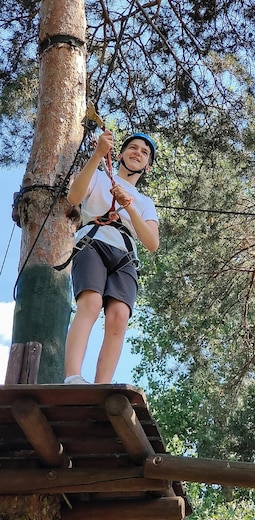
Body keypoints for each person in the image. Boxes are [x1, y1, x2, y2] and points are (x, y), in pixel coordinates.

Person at [63, 130, 159, 384]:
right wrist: (97, 155)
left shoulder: (144, 201)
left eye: (144, 152)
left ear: (147, 167)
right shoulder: (97, 176)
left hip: (125, 256)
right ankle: (73, 376)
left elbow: (151, 242)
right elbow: (74, 196)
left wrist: (128, 205)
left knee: (119, 317)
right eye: (133, 148)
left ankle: (101, 386)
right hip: (93, 242)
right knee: (91, 304)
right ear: (119, 154)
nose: (138, 153)